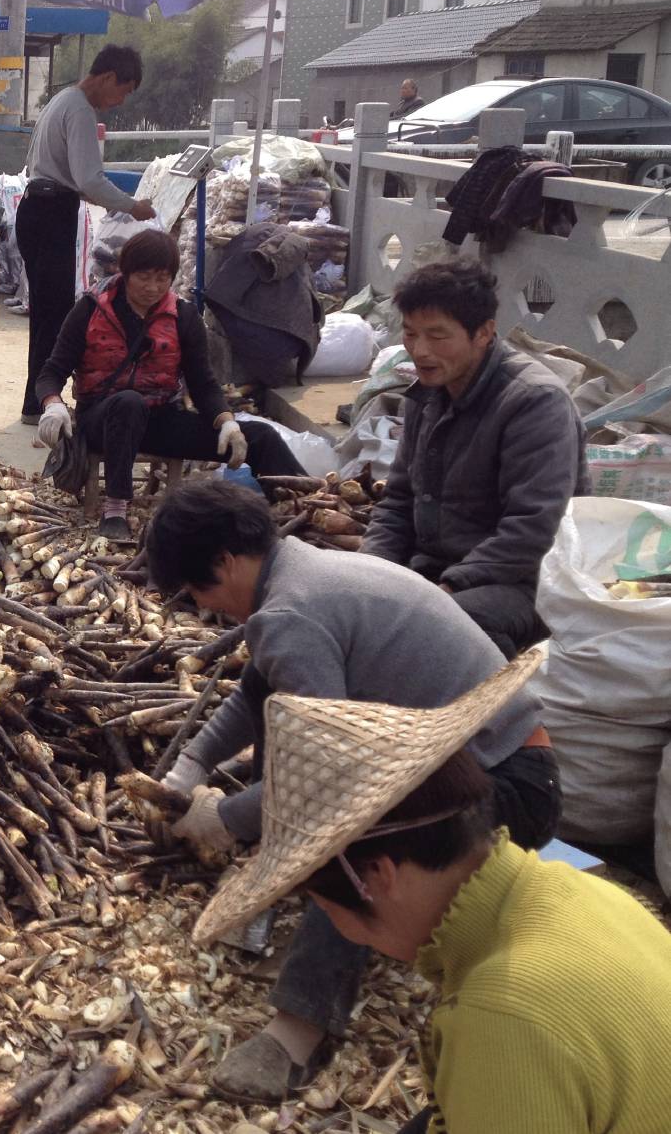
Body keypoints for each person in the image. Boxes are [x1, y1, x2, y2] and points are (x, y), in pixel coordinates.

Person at [146, 481, 562, 1105]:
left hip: (506, 789)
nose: (205, 609)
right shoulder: (298, 574)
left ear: (226, 562)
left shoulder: (291, 613)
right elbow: (257, 696)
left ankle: (298, 1028)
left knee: (348, 834)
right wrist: (189, 768)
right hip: (500, 763)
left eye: (199, 591)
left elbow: (331, 787)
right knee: (292, 734)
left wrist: (227, 819)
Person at [193, 652, 671, 1134]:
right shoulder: (578, 890)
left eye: (323, 905)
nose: (335, 925)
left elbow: (513, 1041)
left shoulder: (501, 1019)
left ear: (376, 877)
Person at [360, 259, 586, 657]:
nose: (420, 350)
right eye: (411, 334)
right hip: (433, 572)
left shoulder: (535, 402)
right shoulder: (427, 392)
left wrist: (446, 589)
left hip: (520, 584)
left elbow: (534, 528)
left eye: (437, 336)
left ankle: (502, 712)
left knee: (444, 630)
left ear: (484, 332)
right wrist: (369, 573)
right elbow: (398, 501)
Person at [34, 230, 304, 541]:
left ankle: (307, 509)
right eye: (144, 277)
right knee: (128, 403)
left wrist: (227, 423)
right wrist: (52, 405)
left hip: (161, 418)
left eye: (163, 279)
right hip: (102, 419)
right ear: (125, 272)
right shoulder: (91, 310)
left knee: (261, 436)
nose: (153, 288)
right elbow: (51, 371)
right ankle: (116, 507)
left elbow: (202, 383)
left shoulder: (183, 316)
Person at [17, 45, 157, 425]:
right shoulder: (78, 109)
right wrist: (133, 206)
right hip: (50, 213)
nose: (119, 100)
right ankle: (41, 402)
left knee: (47, 312)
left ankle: (37, 398)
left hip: (37, 209)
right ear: (109, 77)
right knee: (56, 315)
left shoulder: (61, 100)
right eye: (123, 91)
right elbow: (90, 179)